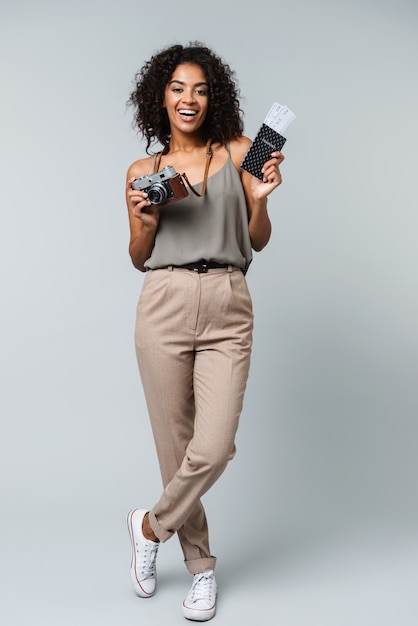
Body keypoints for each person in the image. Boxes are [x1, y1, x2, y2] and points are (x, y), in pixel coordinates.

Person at [125, 42, 284, 622]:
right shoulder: (144, 172)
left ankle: (149, 525)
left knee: (213, 446)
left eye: (200, 88)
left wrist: (259, 202)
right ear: (160, 98)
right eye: (177, 88)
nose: (188, 98)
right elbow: (139, 255)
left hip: (227, 300)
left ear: (212, 97)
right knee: (176, 446)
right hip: (163, 301)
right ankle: (201, 570)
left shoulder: (241, 152)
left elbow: (258, 240)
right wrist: (144, 221)